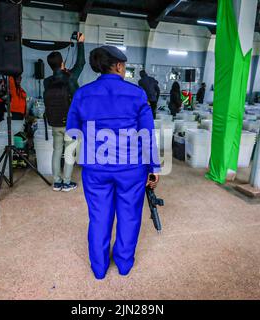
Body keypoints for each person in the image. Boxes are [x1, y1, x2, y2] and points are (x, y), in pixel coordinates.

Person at [66, 45, 160, 280]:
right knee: (129, 215)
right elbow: (147, 134)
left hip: (96, 168)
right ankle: (124, 265)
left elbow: (72, 130)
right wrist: (153, 168)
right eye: (124, 66)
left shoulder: (82, 94)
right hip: (131, 169)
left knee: (99, 216)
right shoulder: (137, 93)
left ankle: (99, 269)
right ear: (118, 66)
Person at [44, 32, 85, 192]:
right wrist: (81, 43)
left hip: (54, 122)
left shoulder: (47, 81)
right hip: (70, 123)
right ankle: (67, 183)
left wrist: (64, 71)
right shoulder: (70, 78)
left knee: (57, 151)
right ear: (62, 62)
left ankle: (56, 182)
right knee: (69, 152)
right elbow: (81, 63)